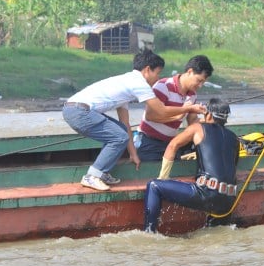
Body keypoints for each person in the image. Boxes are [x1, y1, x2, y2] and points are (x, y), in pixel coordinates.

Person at [62, 49, 206, 192]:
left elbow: (125, 124)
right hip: (79, 111)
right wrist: (188, 108)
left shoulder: (126, 86)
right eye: (157, 73)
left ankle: (102, 173)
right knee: (118, 136)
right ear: (147, 70)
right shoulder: (139, 84)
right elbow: (161, 110)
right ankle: (92, 175)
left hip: (75, 109)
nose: (157, 78)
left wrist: (133, 154)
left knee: (121, 132)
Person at [143, 98, 239, 233]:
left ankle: (149, 233)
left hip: (206, 194)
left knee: (154, 186)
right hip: (228, 200)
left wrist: (162, 178)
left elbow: (172, 145)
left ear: (209, 115)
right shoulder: (234, 138)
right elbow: (232, 166)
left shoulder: (198, 128)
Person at [137, 55, 214, 162]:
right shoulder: (163, 86)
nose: (200, 85)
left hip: (171, 143)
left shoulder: (192, 95)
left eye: (203, 83)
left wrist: (208, 119)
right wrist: (181, 114)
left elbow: (192, 121)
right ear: (190, 71)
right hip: (149, 142)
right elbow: (150, 116)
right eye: (198, 80)